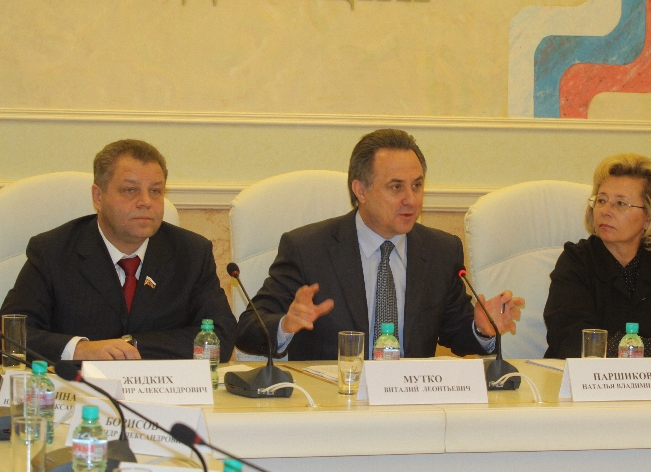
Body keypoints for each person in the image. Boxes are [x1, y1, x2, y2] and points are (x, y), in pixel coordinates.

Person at [236, 129, 523, 360]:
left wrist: (482, 328)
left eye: (417, 185)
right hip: (335, 402)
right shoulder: (308, 249)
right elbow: (248, 329)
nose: (411, 199)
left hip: (410, 401)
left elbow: (456, 332)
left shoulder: (440, 251)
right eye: (396, 187)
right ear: (360, 190)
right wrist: (286, 324)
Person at [0, 140, 236, 362]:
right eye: (130, 190)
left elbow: (220, 338)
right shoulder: (52, 251)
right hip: (78, 387)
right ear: (98, 197)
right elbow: (10, 335)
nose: (145, 201)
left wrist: (131, 345)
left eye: (155, 191)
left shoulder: (191, 253)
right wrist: (79, 349)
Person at [543, 153, 651, 361]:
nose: (605, 211)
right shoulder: (577, 262)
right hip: (586, 381)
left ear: (649, 217)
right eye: (601, 200)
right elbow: (571, 341)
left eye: (621, 204)